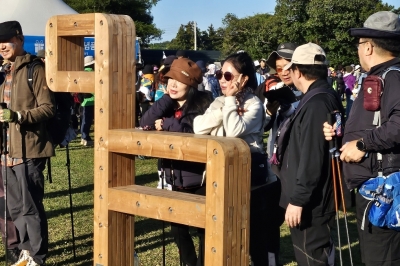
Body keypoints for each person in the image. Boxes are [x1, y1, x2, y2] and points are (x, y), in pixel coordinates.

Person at [323, 11, 400, 266]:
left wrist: (361, 144)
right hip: (375, 191)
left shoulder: (393, 76)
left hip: (385, 194)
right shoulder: (382, 76)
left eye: (359, 45)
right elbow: (376, 122)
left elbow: (398, 126)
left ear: (368, 47)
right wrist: (342, 133)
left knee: (382, 259)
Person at [193, 51, 273, 266]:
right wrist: (225, 107)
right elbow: (198, 127)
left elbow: (233, 131)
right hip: (218, 175)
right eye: (220, 74)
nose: (221, 80)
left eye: (228, 76)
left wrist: (228, 102)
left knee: (252, 236)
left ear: (243, 78)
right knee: (217, 230)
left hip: (249, 180)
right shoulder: (219, 100)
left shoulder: (254, 103)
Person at [140, 57, 213, 266]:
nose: (172, 84)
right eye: (170, 79)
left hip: (200, 177)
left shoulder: (204, 102)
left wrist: (166, 123)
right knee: (177, 229)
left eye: (179, 81)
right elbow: (145, 123)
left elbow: (190, 129)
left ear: (190, 84)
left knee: (203, 229)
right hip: (174, 176)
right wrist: (165, 100)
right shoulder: (167, 103)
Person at [279, 42, 343, 265]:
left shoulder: (317, 103)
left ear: (297, 71)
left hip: (312, 202)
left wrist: (298, 200)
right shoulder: (322, 96)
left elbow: (312, 157)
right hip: (313, 198)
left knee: (312, 257)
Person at [0, 20, 55, 266]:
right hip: (6, 152)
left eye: (7, 41)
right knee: (14, 208)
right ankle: (25, 252)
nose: (2, 46)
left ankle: (37, 257)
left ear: (20, 39)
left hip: (30, 149)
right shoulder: (2, 72)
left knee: (30, 207)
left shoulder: (35, 68)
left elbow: (48, 108)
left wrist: (20, 116)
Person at [80, 56, 95, 146]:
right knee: (88, 121)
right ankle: (85, 137)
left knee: (84, 120)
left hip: (84, 101)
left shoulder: (82, 74)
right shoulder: (94, 73)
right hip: (93, 100)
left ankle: (84, 137)